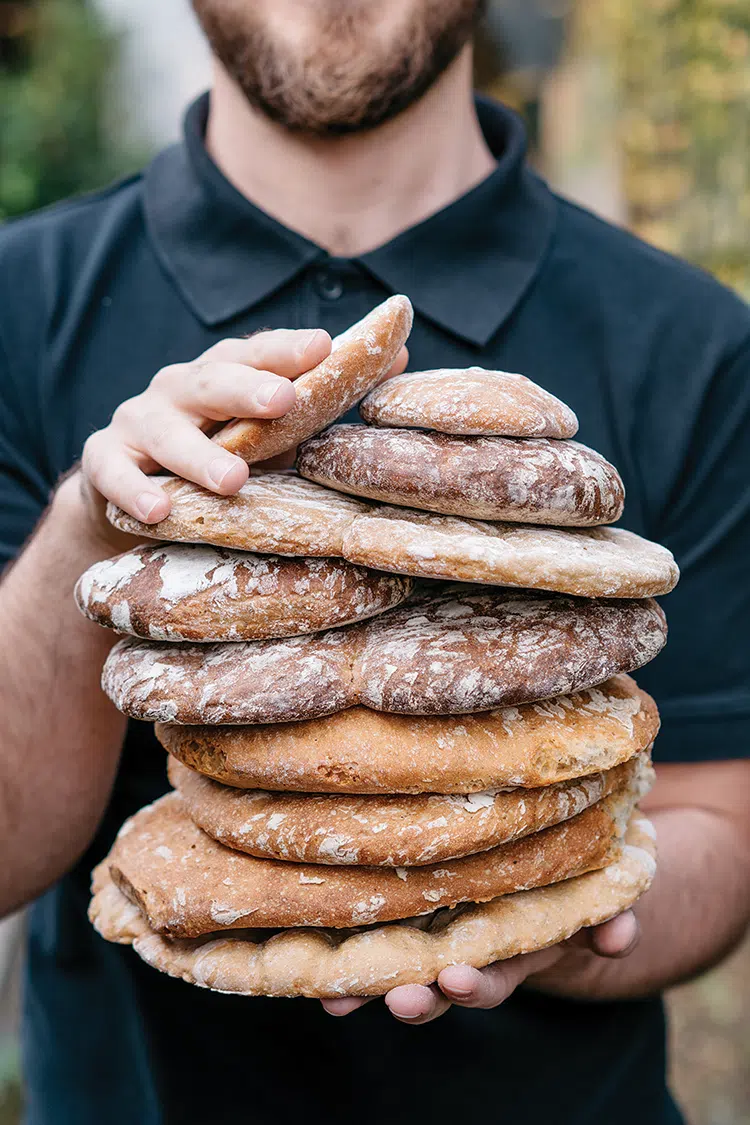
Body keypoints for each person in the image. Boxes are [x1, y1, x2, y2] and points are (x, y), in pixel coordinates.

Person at [0, 2, 748, 1122]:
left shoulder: (694, 342)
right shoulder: (16, 304)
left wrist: (553, 916)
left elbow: (720, 827)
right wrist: (91, 532)